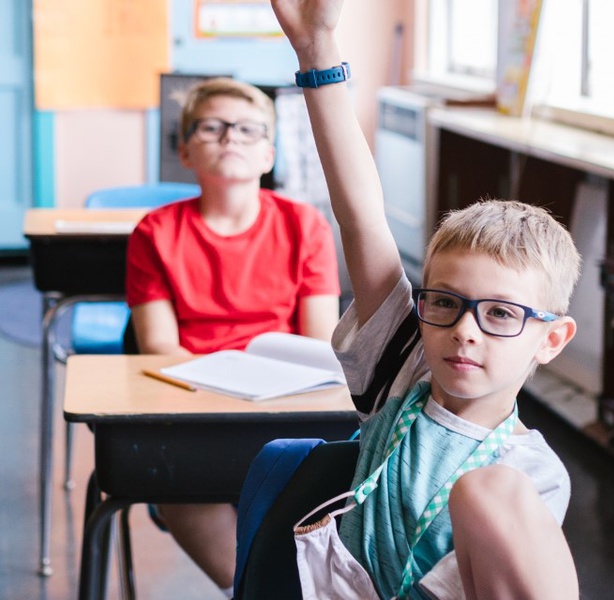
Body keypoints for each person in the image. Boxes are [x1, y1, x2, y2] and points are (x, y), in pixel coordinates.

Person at [271, 0, 582, 598]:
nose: (466, 331)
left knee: (489, 491)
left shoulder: (533, 477)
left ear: (551, 338)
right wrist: (316, 48)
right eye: (445, 303)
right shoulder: (402, 375)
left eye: (500, 314)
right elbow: (361, 218)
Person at [125, 77, 341, 596]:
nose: (231, 138)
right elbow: (159, 345)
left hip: (288, 407)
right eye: (212, 127)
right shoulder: (154, 232)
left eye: (248, 129)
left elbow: (320, 342)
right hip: (195, 404)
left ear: (268, 153)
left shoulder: (305, 225)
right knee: (176, 482)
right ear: (184, 151)